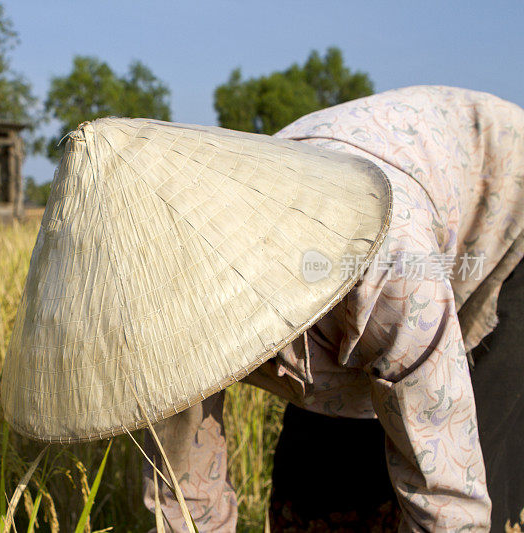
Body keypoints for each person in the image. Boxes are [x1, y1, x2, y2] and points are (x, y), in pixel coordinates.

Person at [142, 86, 524, 532]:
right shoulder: (168, 296)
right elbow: (185, 492)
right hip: (377, 232)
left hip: (505, 207)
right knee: (318, 496)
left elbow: (448, 493)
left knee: (470, 462)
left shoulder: (388, 265)